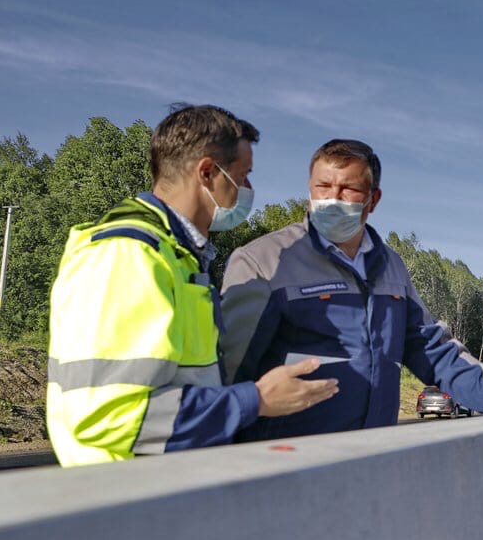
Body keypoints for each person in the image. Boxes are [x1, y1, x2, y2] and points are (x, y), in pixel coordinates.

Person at [220, 138, 483, 441]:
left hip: (372, 460)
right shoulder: (264, 261)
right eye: (322, 187)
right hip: (285, 464)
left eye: (348, 189)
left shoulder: (390, 266)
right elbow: (227, 374)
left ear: (372, 200)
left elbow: (433, 350)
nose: (332, 199)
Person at [46, 104, 339, 467]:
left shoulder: (176, 256)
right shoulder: (128, 255)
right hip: (120, 496)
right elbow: (110, 417)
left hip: (159, 488)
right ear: (207, 172)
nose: (247, 189)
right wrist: (256, 400)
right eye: (243, 175)